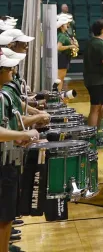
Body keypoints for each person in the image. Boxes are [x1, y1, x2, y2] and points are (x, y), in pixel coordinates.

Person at [0, 51, 41, 252]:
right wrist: (23, 134)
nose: (12, 71)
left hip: (7, 160)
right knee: (4, 216)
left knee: (6, 215)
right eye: (8, 68)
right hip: (3, 163)